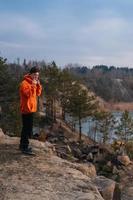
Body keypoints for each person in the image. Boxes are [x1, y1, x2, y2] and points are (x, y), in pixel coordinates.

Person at [19, 66, 42, 155]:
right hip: (26, 109)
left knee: (27, 128)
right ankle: (24, 147)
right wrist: (33, 85)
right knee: (26, 128)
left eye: (38, 75)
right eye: (35, 75)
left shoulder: (34, 82)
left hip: (31, 109)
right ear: (31, 74)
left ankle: (22, 145)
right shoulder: (24, 83)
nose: (36, 77)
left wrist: (38, 85)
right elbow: (28, 94)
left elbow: (38, 93)